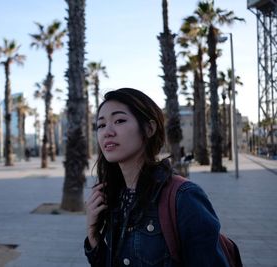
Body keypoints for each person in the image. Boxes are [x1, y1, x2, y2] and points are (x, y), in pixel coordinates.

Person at [84, 88, 229, 266]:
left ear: (149, 128)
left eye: (119, 120)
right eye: (101, 125)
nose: (107, 132)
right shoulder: (114, 196)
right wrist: (93, 235)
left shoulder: (184, 197)